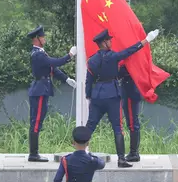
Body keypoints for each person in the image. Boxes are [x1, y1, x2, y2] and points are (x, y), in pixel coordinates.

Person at [85, 28, 160, 168]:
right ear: (104, 42)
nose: (111, 42)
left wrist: (89, 95)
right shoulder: (113, 56)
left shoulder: (91, 61)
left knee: (90, 125)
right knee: (117, 128)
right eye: (109, 40)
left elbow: (89, 80)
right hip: (112, 94)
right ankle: (121, 159)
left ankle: (81, 154)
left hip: (97, 96)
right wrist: (146, 41)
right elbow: (129, 51)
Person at [26, 25, 76, 162]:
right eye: (42, 37)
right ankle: (33, 154)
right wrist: (70, 55)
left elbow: (53, 69)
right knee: (36, 122)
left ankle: (34, 153)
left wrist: (67, 79)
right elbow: (55, 62)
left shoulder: (40, 52)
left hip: (41, 89)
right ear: (37, 39)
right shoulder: (38, 54)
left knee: (37, 121)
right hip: (40, 90)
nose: (44, 38)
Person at [118, 65, 142, 162]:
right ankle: (134, 152)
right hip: (131, 87)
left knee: (132, 123)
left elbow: (119, 74)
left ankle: (134, 153)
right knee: (133, 122)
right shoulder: (134, 58)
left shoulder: (129, 61)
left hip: (130, 89)